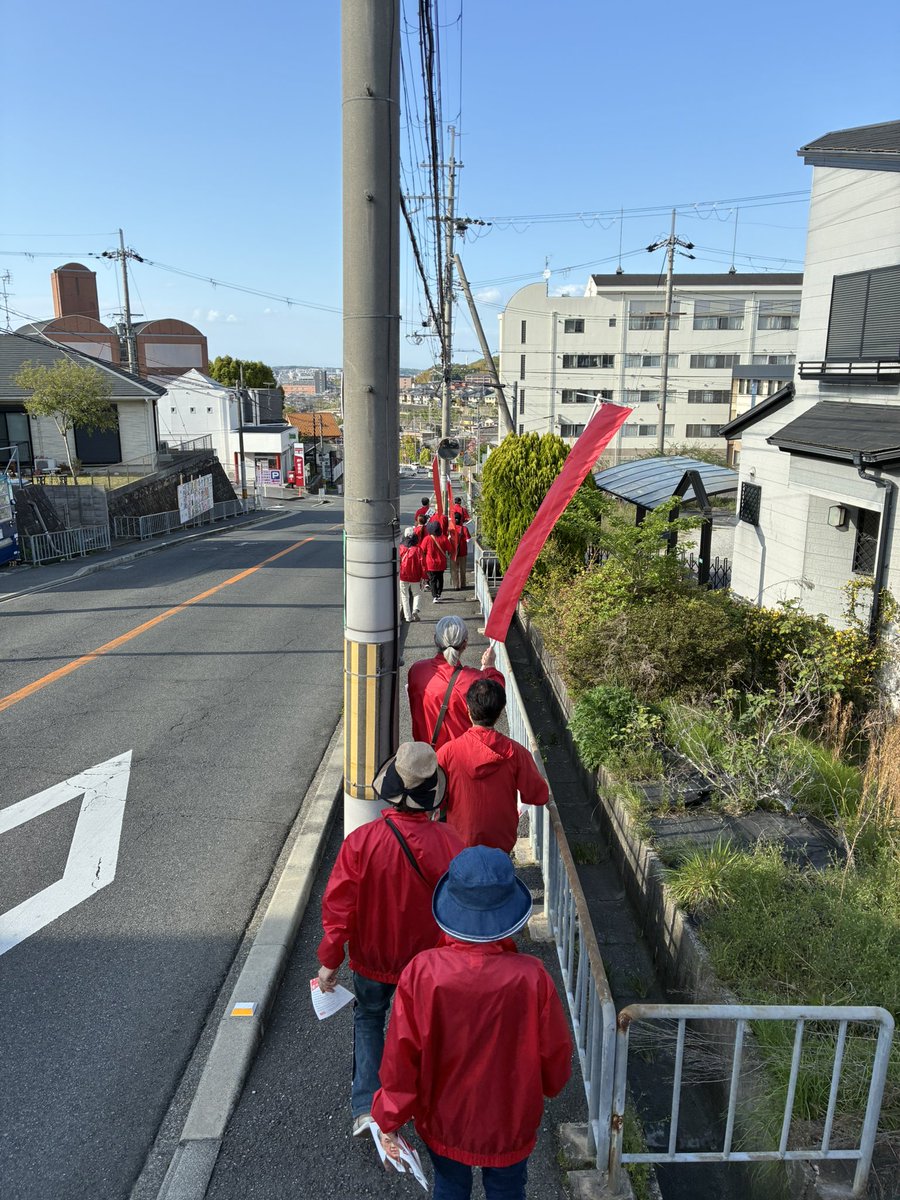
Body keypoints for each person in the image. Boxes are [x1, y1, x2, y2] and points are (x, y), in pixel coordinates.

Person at [371, 846, 572, 1199]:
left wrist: (388, 1117)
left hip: (444, 1115)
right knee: (508, 1189)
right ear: (510, 910)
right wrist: (551, 1086)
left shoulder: (423, 972)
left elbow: (402, 1057)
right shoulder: (532, 977)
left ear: (452, 905)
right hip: (510, 1117)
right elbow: (554, 1053)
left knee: (449, 1186)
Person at [317, 743, 464, 1137]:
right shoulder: (451, 843)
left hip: (372, 955)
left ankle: (366, 1107)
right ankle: (422, 1101)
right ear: (432, 795)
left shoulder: (361, 842)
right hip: (429, 961)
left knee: (369, 1018)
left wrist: (331, 958)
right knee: (423, 1029)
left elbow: (339, 907)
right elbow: (460, 909)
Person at [437, 678, 549, 853]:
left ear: (468, 710)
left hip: (460, 842)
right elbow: (538, 795)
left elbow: (436, 798)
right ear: (500, 712)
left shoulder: (447, 752)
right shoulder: (517, 753)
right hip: (501, 843)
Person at [407, 615, 505, 750]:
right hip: (459, 758)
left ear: (435, 639)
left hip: (425, 758)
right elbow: (496, 693)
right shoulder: (474, 680)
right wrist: (490, 667)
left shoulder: (416, 671)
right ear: (465, 644)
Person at [420, 519, 451, 604]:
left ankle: (434, 596)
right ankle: (439, 594)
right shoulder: (444, 538)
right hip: (441, 562)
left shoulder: (427, 539)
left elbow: (422, 550)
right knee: (440, 579)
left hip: (430, 563)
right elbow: (449, 549)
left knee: (432, 580)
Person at [398, 527, 424, 622]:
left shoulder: (400, 548)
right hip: (415, 575)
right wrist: (423, 576)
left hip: (403, 575)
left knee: (404, 596)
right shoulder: (418, 549)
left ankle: (408, 617)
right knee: (417, 593)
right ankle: (415, 609)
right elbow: (422, 564)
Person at [449, 502, 470, 591]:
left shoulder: (450, 529)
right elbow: (468, 540)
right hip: (463, 551)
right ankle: (463, 584)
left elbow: (448, 539)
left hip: (453, 551)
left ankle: (456, 585)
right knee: (462, 569)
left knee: (454, 569)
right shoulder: (464, 529)